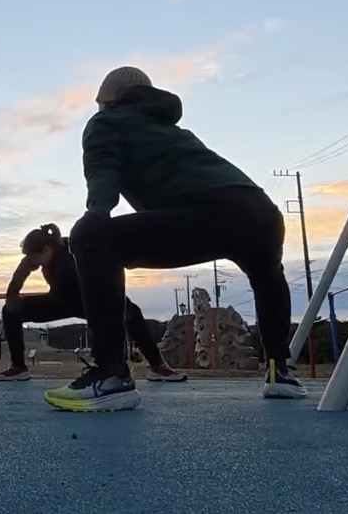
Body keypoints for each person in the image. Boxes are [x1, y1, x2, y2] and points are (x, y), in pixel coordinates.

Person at [43, 67, 306, 413]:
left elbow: (102, 170)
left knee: (90, 237)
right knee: (268, 278)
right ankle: (279, 371)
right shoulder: (172, 129)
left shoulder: (105, 122)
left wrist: (96, 215)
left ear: (107, 100)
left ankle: (110, 375)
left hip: (206, 211)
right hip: (260, 213)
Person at [0, 223, 185, 383]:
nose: (31, 262)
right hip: (61, 299)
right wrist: (12, 296)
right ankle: (18, 367)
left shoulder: (72, 258)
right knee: (11, 310)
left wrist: (116, 303)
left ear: (46, 250)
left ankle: (157, 366)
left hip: (95, 297)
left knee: (132, 313)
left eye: (33, 258)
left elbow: (105, 274)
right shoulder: (41, 253)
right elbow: (23, 270)